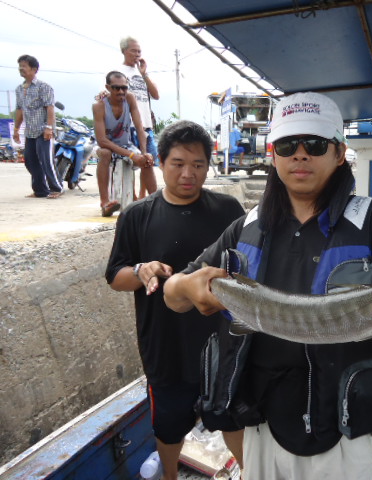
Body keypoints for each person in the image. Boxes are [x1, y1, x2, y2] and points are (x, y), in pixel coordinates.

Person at [163, 92, 372, 480]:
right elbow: (173, 295)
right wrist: (188, 289)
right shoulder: (243, 228)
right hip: (262, 430)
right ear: (273, 154)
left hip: (349, 441)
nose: (300, 155)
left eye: (315, 144)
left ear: (339, 153)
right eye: (287, 145)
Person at [105, 120, 246, 480]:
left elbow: (248, 266)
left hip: (223, 344)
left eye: (198, 165)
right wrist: (141, 271)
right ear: (162, 162)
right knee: (168, 428)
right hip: (165, 347)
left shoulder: (228, 210)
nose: (188, 173)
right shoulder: (138, 215)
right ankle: (169, 476)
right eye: (178, 163)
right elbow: (115, 277)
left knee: (233, 417)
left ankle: (251, 471)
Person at [92, 70, 155, 217]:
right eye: (116, 88)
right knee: (106, 154)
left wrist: (144, 151)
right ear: (108, 87)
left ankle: (156, 202)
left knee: (146, 160)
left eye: (124, 88)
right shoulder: (99, 106)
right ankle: (105, 203)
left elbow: (140, 128)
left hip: (125, 145)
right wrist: (132, 155)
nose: (121, 92)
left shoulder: (130, 99)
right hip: (105, 146)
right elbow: (102, 140)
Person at [13, 54, 64, 199]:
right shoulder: (19, 89)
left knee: (46, 161)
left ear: (34, 69)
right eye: (20, 66)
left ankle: (57, 188)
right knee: (30, 161)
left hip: (43, 130)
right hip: (30, 131)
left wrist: (49, 127)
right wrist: (16, 130)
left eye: (24, 66)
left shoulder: (44, 87)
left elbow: (50, 108)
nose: (21, 69)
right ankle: (40, 190)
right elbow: (19, 110)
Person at [116, 36, 159, 199]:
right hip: (128, 126)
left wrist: (145, 74)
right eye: (134, 50)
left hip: (146, 125)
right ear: (124, 51)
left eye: (139, 51)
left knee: (148, 161)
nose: (137, 54)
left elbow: (155, 95)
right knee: (131, 162)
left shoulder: (141, 73)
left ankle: (144, 196)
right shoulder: (117, 72)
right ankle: (132, 197)